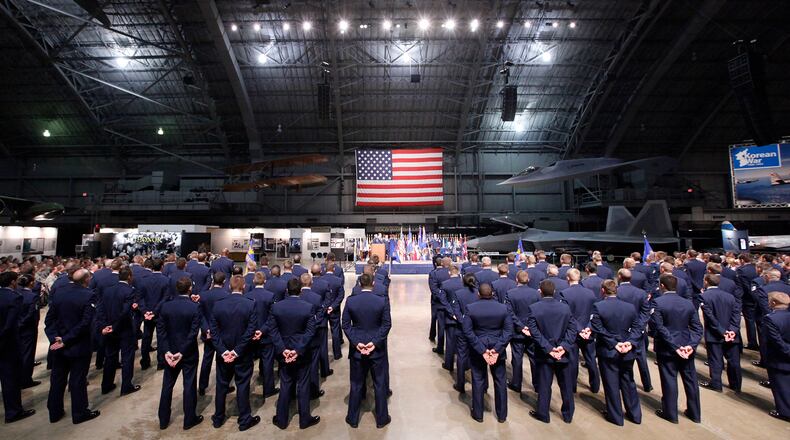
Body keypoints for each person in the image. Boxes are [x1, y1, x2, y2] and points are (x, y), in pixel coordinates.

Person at [45, 268, 100, 424]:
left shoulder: (58, 293)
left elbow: (49, 321)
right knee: (77, 380)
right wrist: (66, 339)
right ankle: (79, 413)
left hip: (59, 346)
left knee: (57, 379)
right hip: (78, 345)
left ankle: (54, 412)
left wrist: (55, 340)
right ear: (86, 280)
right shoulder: (88, 295)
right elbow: (85, 324)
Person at [209, 275, 259, 431]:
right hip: (242, 353)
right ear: (244, 287)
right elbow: (250, 330)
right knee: (243, 385)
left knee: (221, 385)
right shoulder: (250, 305)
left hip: (223, 353)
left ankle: (218, 417)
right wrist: (237, 351)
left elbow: (214, 332)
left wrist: (223, 351)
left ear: (229, 287)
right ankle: (244, 419)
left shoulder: (218, 306)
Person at [651, 274, 703, 424]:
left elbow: (660, 328)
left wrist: (675, 346)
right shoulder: (688, 303)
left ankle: (671, 413)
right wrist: (690, 346)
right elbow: (697, 328)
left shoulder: (658, 303)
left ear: (662, 286)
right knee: (691, 381)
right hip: (687, 347)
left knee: (669, 380)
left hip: (667, 348)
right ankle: (695, 413)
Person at [343, 273, 392, 428]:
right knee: (379, 383)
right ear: (373, 283)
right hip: (377, 350)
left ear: (359, 284)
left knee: (356, 384)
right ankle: (382, 418)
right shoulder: (381, 301)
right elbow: (386, 325)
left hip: (357, 349)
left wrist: (357, 343)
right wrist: (374, 343)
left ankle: (352, 418)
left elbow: (345, 325)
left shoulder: (351, 301)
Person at [269, 278, 320, 430]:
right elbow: (310, 331)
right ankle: (305, 419)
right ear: (300, 291)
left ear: (287, 290)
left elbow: (273, 330)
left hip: (284, 352)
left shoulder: (276, 307)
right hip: (302, 352)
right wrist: (297, 350)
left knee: (285, 384)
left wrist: (283, 349)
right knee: (303, 385)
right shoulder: (308, 307)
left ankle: (281, 419)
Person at [590, 279, 642, 426]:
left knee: (611, 383)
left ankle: (616, 416)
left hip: (608, 351)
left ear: (602, 291)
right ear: (616, 290)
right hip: (627, 351)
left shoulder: (598, 307)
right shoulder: (630, 307)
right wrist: (629, 342)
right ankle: (635, 415)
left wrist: (614, 343)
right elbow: (638, 327)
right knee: (628, 382)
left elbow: (598, 329)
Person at [527, 280, 577, 424]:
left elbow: (534, 332)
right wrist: (563, 347)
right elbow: (572, 329)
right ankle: (568, 415)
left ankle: (543, 414)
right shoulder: (565, 308)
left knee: (544, 384)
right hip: (563, 354)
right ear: (554, 292)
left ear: (540, 291)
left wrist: (548, 348)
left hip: (544, 354)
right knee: (566, 385)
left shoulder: (534, 308)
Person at [157, 276, 203, 430]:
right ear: (190, 289)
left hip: (170, 352)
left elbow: (161, 331)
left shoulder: (165, 307)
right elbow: (193, 333)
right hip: (188, 353)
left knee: (167, 386)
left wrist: (167, 351)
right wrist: (182, 352)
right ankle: (189, 419)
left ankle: (163, 420)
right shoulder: (194, 307)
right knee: (189, 385)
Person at [463, 283, 512, 423]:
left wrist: (482, 350)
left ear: (478, 294)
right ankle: (502, 415)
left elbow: (467, 332)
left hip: (478, 349)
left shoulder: (470, 308)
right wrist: (496, 350)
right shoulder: (503, 308)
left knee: (478, 380)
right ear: (493, 294)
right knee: (500, 381)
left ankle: (478, 414)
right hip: (498, 349)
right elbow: (508, 331)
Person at [97, 267, 140, 396]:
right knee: (127, 357)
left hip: (109, 328)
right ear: (129, 277)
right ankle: (126, 386)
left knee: (110, 357)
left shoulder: (107, 290)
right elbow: (125, 312)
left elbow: (101, 309)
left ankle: (106, 385)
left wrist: (105, 325)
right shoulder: (129, 291)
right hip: (124, 329)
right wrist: (114, 326)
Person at [0, 272, 36, 423]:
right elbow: (11, 324)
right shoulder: (15, 298)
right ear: (13, 282)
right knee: (11, 380)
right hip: (8, 345)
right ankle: (13, 412)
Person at [699, 274, 742, 392]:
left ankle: (716, 384)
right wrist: (732, 330)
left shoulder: (704, 297)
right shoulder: (730, 297)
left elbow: (710, 317)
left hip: (714, 334)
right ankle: (736, 385)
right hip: (732, 335)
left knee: (715, 360)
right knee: (734, 361)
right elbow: (736, 314)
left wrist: (722, 332)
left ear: (706, 281)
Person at [560, 268, 600, 393]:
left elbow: (567, 315)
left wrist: (579, 329)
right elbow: (594, 312)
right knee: (591, 359)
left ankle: (572, 387)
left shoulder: (564, 294)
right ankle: (595, 386)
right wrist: (588, 328)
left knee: (573, 361)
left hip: (573, 332)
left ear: (567, 278)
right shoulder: (590, 293)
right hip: (588, 332)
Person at [616, 269, 653, 392]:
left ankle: (623, 384)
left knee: (622, 360)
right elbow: (645, 312)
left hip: (621, 329)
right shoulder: (641, 293)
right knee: (641, 359)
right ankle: (647, 384)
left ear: (619, 277)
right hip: (638, 332)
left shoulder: (616, 292)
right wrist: (640, 327)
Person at [505, 270, 540, 393]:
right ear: (528, 280)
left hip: (517, 332)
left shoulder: (510, 294)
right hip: (532, 331)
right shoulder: (536, 294)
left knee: (517, 358)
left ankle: (516, 383)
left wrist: (521, 327)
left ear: (516, 279)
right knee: (534, 358)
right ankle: (537, 385)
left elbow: (509, 312)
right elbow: (537, 313)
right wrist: (529, 327)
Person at [244, 272, 278, 399]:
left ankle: (246, 389)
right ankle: (268, 389)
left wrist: (252, 331)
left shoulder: (246, 296)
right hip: (266, 335)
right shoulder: (270, 296)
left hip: (250, 335)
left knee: (248, 365)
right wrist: (262, 330)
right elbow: (272, 316)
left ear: (253, 281)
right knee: (268, 362)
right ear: (265, 281)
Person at [198, 272, 229, 395]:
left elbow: (200, 315)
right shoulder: (227, 296)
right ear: (224, 282)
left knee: (206, 359)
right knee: (222, 362)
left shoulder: (203, 296)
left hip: (209, 334)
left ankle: (202, 385)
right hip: (222, 334)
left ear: (212, 281)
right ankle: (223, 386)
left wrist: (207, 329)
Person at [298, 273, 328, 399]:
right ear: (311, 282)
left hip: (297, 336)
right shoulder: (316, 298)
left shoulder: (294, 297)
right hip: (313, 335)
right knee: (313, 363)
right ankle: (313, 390)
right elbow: (320, 315)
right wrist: (313, 326)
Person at [763, 292, 790, 421]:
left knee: (781, 385)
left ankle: (784, 412)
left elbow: (776, 340)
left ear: (773, 303)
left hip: (778, 357)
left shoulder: (771, 319)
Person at [139, 259, 170, 370]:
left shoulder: (143, 280)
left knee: (146, 337)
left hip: (147, 314)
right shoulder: (166, 280)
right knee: (161, 338)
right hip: (160, 314)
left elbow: (140, 298)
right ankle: (161, 362)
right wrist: (155, 311)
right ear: (162, 266)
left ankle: (145, 362)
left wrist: (145, 311)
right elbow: (165, 298)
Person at [451, 274, 480, 393]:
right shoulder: (480, 292)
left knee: (462, 356)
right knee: (478, 357)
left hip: (463, 329)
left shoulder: (458, 294)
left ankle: (460, 383)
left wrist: (464, 323)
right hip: (477, 329)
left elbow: (456, 312)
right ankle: (482, 386)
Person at [16, 274, 42, 389]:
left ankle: (19, 377)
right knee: (27, 354)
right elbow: (32, 313)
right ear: (31, 283)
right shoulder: (32, 296)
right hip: (28, 329)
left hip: (17, 327)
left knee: (19, 353)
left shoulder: (16, 293)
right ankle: (26, 379)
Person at [736, 254, 759, 350]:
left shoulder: (741, 270)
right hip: (759, 298)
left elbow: (745, 286)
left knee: (750, 322)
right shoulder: (756, 268)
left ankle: (752, 342)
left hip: (747, 299)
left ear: (742, 260)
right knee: (760, 322)